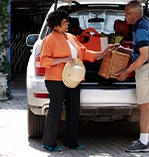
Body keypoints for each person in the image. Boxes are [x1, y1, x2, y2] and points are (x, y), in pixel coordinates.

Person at [40, 10, 109, 152]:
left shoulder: (70, 37)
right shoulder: (48, 40)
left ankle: (70, 142)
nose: (68, 24)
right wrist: (63, 60)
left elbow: (83, 52)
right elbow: (44, 60)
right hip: (56, 80)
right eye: (65, 22)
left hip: (74, 79)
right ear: (56, 24)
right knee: (55, 110)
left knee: (74, 110)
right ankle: (49, 143)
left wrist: (101, 54)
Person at [116, 0, 149, 152]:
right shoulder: (145, 23)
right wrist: (124, 50)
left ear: (136, 13)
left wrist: (126, 72)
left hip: (147, 69)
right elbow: (141, 52)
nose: (125, 16)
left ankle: (143, 143)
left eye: (128, 13)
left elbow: (143, 56)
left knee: (143, 106)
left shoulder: (140, 28)